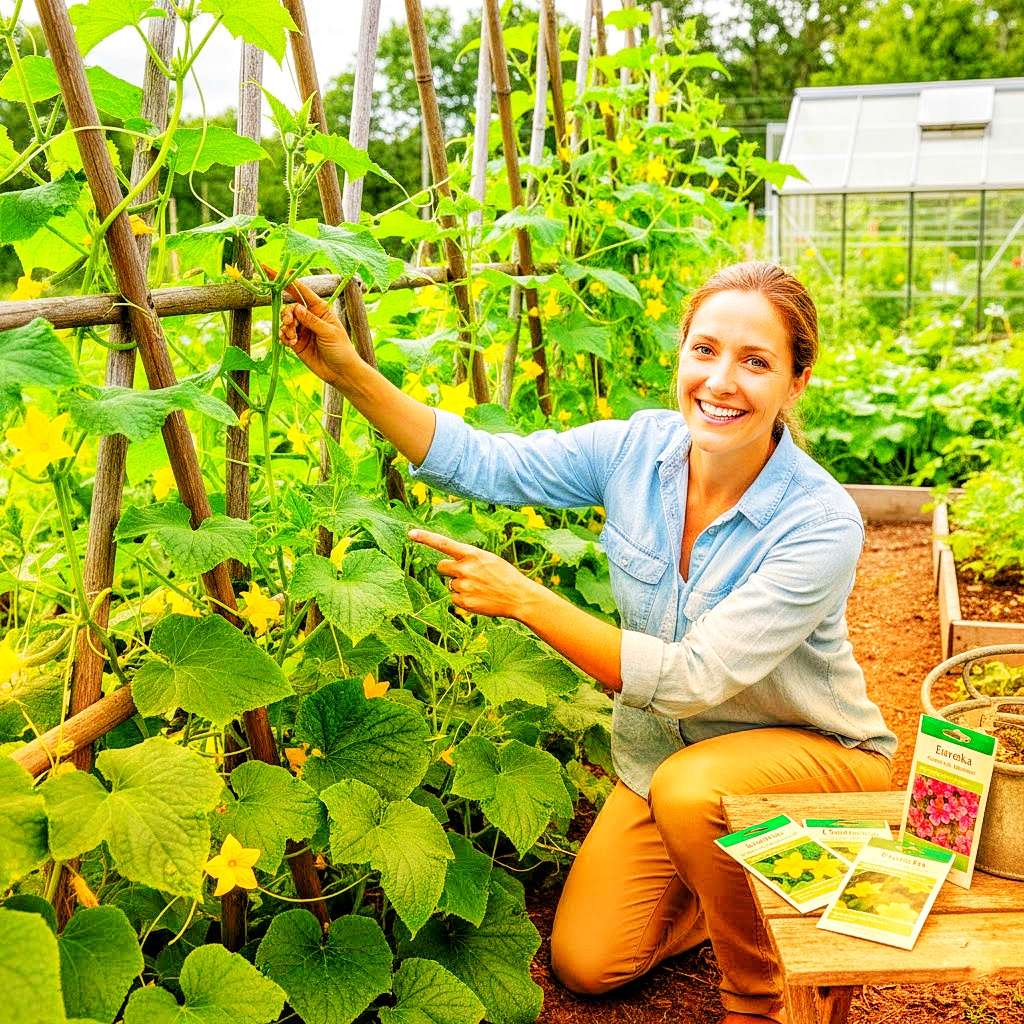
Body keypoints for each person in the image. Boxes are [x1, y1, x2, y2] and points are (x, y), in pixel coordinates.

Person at [278, 261, 897, 1024]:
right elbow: (485, 462)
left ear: (796, 382)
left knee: (693, 789)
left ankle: (761, 995)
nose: (721, 381)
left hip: (812, 758)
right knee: (588, 961)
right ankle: (726, 887)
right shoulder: (636, 452)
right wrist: (348, 372)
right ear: (682, 356)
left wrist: (527, 601)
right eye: (705, 350)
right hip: (667, 763)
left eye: (756, 361)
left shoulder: (819, 523)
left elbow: (691, 680)